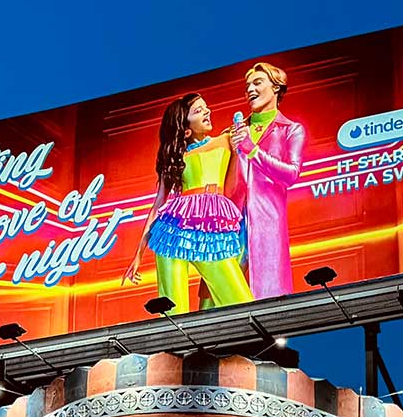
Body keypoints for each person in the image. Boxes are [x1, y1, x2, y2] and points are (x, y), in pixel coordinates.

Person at [123, 93, 253, 311]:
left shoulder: (226, 140)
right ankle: (172, 345)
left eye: (206, 107)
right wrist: (139, 254)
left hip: (211, 230)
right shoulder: (175, 157)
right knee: (173, 310)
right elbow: (158, 205)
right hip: (172, 234)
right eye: (199, 110)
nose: (207, 111)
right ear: (186, 128)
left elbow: (231, 188)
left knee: (240, 302)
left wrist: (242, 149)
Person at [227, 61, 306, 298]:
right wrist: (233, 151)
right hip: (232, 224)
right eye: (247, 85)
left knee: (268, 298)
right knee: (225, 298)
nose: (250, 89)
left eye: (257, 82)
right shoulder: (233, 132)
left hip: (267, 225)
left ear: (276, 87)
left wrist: (253, 151)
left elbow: (291, 174)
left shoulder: (291, 130)